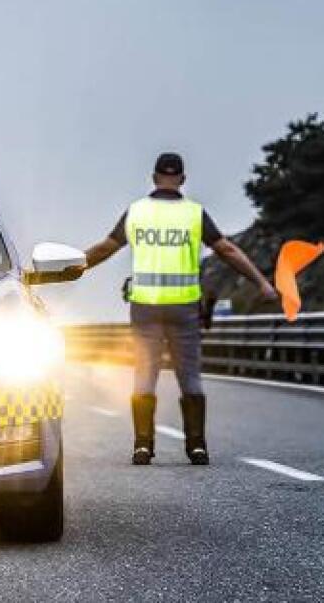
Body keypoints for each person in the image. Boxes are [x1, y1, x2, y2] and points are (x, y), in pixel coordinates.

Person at [81, 152, 277, 465]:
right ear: (182, 180)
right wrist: (262, 282)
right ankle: (196, 447)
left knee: (144, 377)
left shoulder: (137, 212)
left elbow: (106, 248)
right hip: (184, 309)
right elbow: (225, 249)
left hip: (145, 307)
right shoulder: (194, 214)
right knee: (190, 377)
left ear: (154, 178)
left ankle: (142, 446)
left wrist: (73, 268)